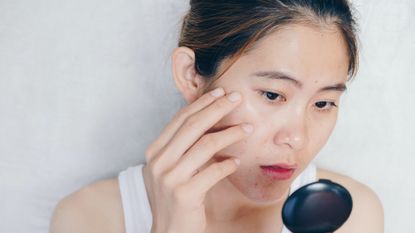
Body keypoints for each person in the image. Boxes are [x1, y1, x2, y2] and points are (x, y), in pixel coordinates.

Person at [50, 0, 384, 232]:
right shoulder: (90, 218)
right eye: (272, 95)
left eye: (323, 103)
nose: (297, 138)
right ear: (191, 75)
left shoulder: (351, 216)